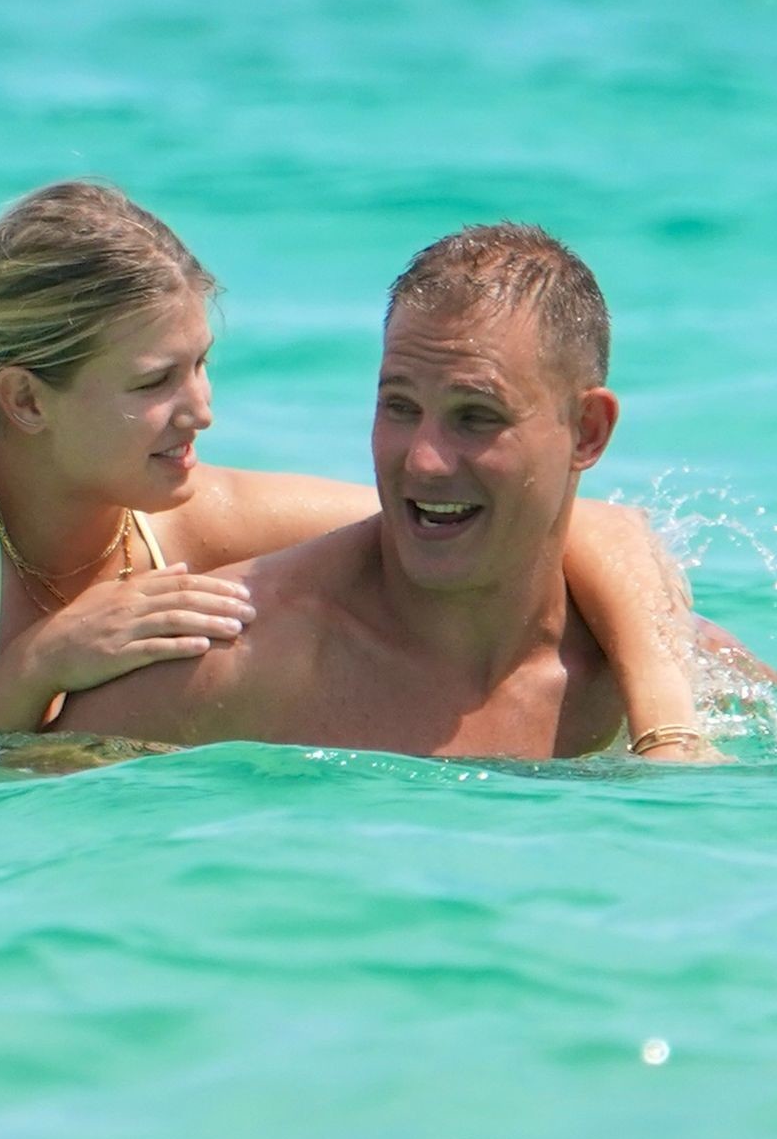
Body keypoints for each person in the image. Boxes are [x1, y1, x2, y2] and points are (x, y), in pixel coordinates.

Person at [0, 181, 729, 754]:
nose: (201, 408)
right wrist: (40, 663)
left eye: (201, 364)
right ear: (28, 401)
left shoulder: (191, 514)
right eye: (156, 380)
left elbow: (579, 521)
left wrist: (665, 715)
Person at [58, 223, 712, 760]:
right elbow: (17, 790)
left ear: (587, 432)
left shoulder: (666, 676)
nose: (424, 461)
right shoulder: (232, 669)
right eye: (399, 407)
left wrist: (668, 726)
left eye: (475, 417)